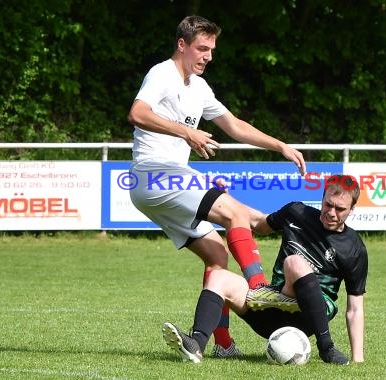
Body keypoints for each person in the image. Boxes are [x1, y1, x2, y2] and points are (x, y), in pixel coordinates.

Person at [127, 15, 306, 357]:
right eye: (202, 48)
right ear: (182, 45)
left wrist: (280, 145)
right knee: (234, 212)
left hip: (155, 185)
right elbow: (137, 113)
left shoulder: (199, 87)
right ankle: (258, 289)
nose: (208, 55)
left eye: (211, 49)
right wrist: (187, 132)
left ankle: (216, 344)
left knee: (217, 254)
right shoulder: (162, 73)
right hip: (155, 174)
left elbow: (235, 126)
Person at [162, 175, 368, 364]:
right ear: (322, 198)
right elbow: (259, 224)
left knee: (294, 262)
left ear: (352, 209)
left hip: (309, 315)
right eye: (328, 205)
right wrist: (227, 203)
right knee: (218, 276)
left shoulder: (354, 248)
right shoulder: (297, 212)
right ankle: (196, 344)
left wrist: (357, 360)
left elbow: (355, 308)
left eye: (340, 209)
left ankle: (326, 347)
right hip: (272, 305)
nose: (331, 213)